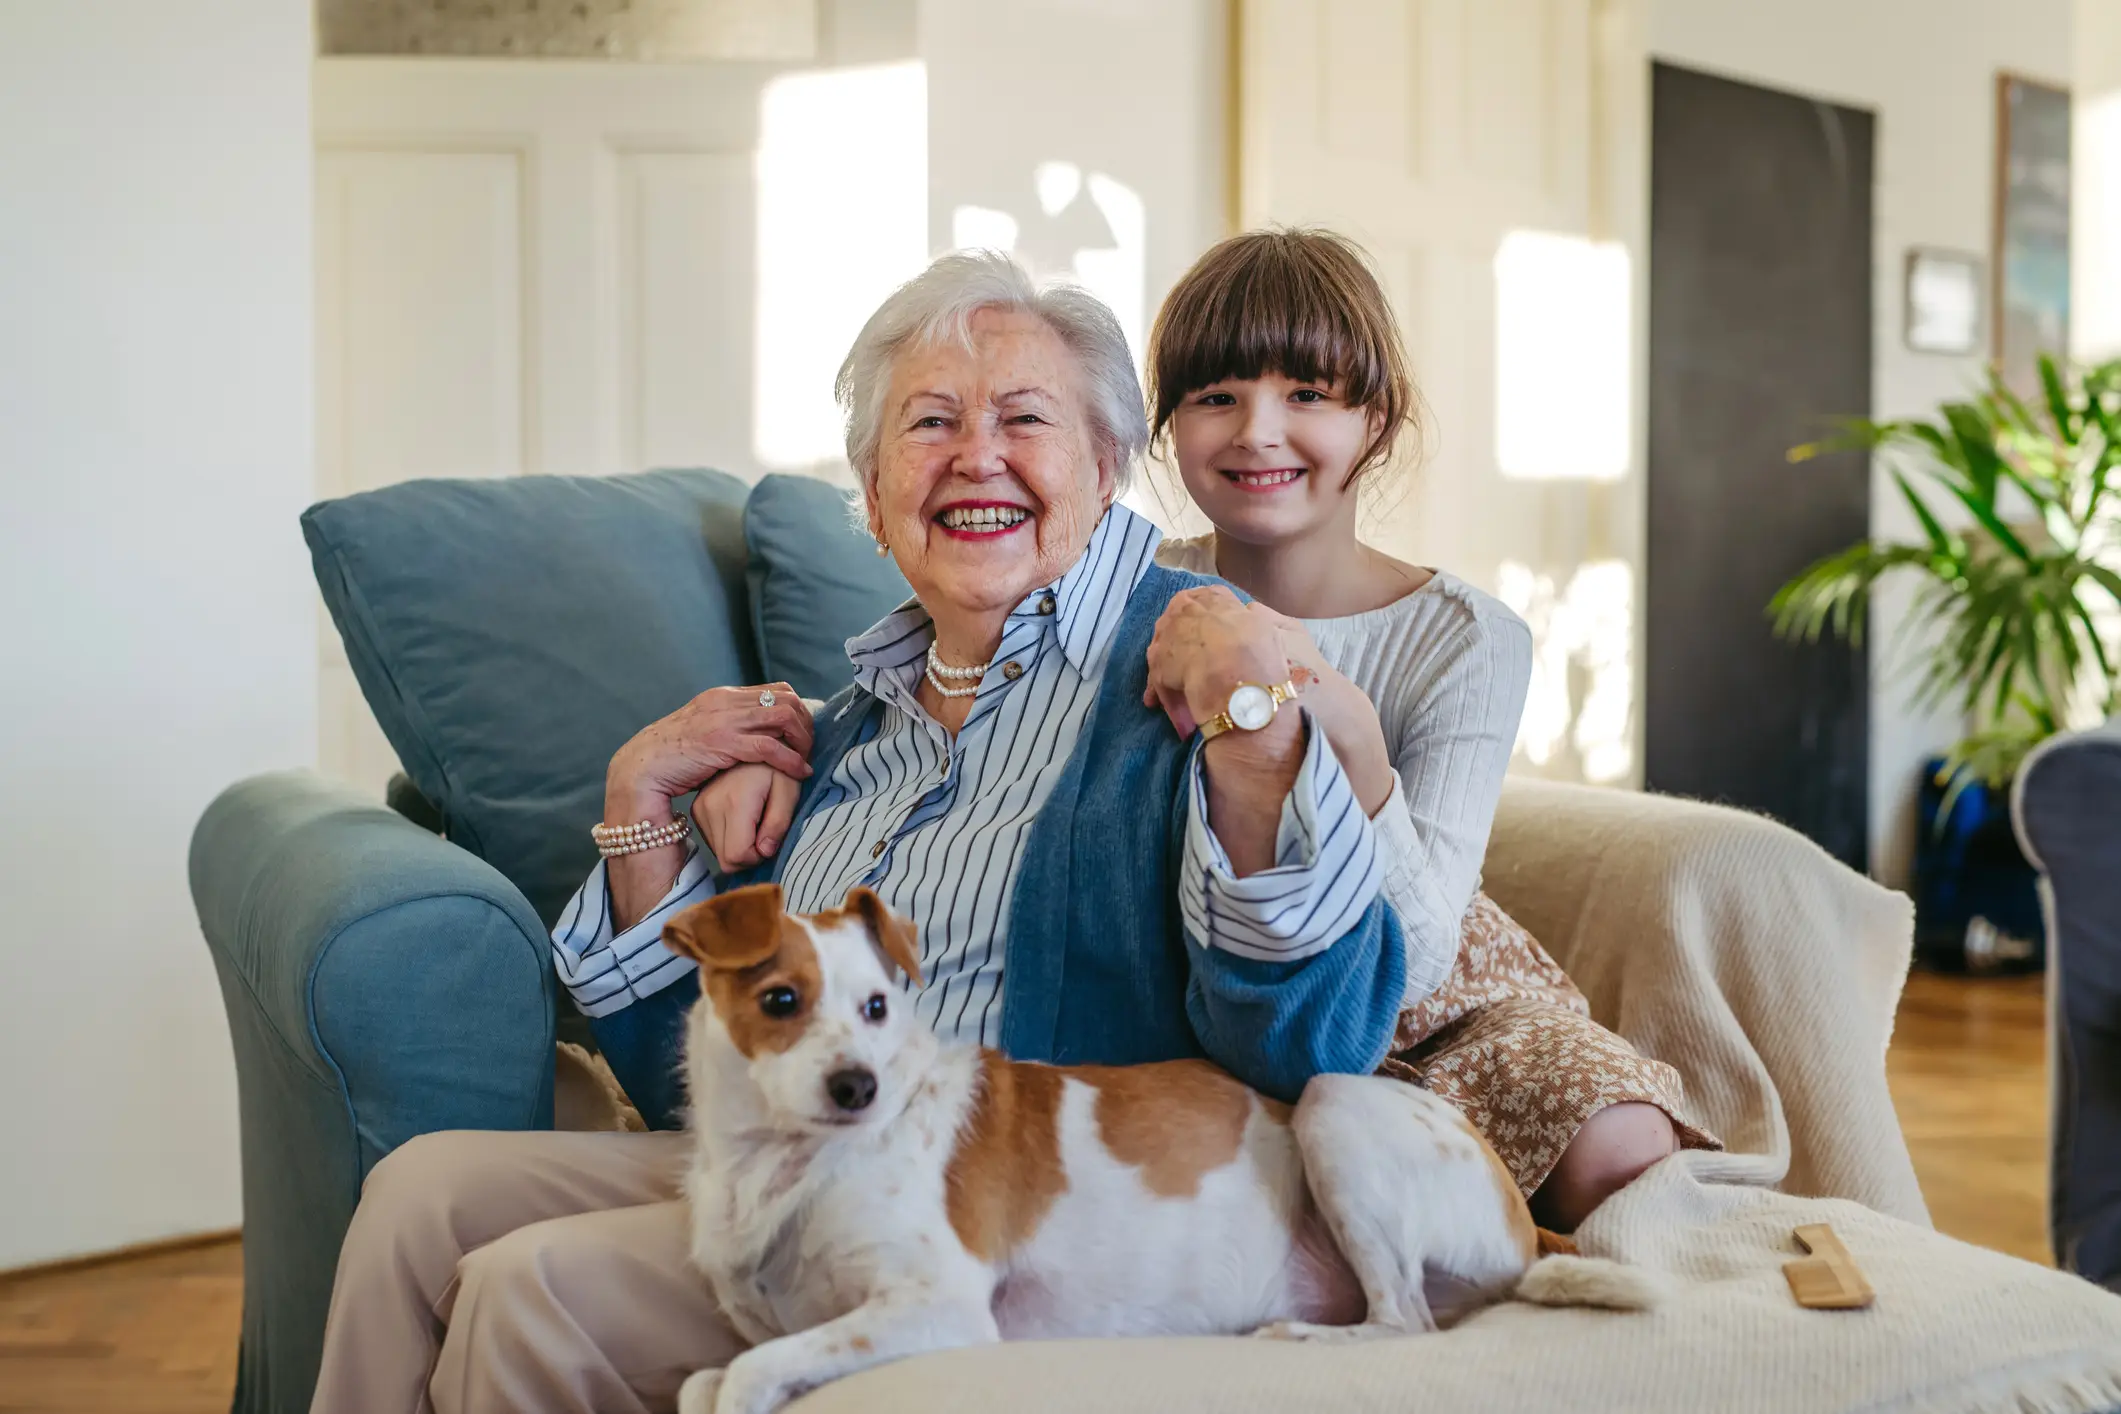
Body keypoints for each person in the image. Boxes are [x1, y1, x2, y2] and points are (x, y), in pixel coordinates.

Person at [307, 250, 1407, 1414]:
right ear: (876, 498)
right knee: (419, 1193)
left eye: (1022, 419)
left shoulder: (1192, 677)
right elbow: (699, 1072)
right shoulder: (838, 735)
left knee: (527, 1288)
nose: (976, 453)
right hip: (795, 1146)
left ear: (1103, 469)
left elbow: (1314, 1043)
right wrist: (638, 812)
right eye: (929, 423)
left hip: (971, 1207)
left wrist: (1252, 739)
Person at [1145, 228, 1718, 1231]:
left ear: (1376, 417)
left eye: (1307, 396)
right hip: (1225, 990)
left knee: (1623, 1148)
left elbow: (1415, 949)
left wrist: (1357, 745)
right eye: (1216, 395)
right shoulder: (1139, 592)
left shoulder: (1466, 638)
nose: (1257, 432)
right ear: (1170, 423)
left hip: (1443, 993)